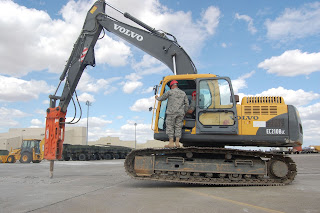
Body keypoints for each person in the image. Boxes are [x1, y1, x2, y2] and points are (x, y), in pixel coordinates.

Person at [155, 80, 189, 148]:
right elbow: (187, 104)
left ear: (172, 86)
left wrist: (157, 97)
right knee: (178, 127)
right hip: (180, 113)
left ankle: (171, 143)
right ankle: (177, 142)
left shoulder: (170, 92)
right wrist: (184, 112)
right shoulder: (183, 93)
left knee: (170, 126)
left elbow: (162, 98)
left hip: (171, 113)